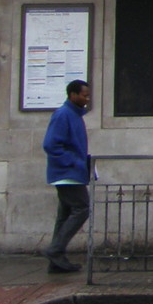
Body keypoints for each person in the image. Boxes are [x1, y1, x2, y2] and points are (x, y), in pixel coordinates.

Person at [41, 80, 92, 273]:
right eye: (83, 95)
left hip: (71, 172)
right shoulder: (63, 114)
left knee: (64, 215)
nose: (87, 99)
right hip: (67, 174)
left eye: (88, 95)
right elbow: (51, 145)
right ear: (72, 94)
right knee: (82, 208)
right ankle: (55, 250)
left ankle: (56, 261)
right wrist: (74, 162)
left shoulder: (74, 115)